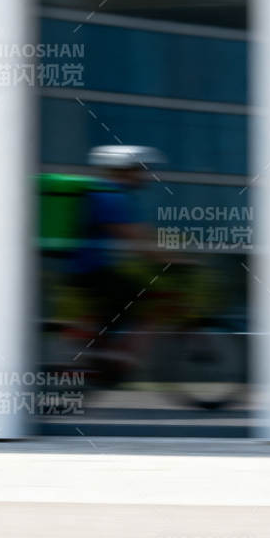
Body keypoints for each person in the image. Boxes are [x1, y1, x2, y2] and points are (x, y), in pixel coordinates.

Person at [65, 145, 164, 384]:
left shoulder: (111, 194)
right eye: (140, 170)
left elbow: (140, 232)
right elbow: (130, 236)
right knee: (145, 299)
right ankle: (106, 357)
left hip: (88, 269)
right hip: (89, 269)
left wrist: (162, 250)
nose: (145, 176)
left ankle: (104, 356)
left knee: (124, 302)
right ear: (125, 171)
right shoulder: (110, 195)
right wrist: (168, 259)